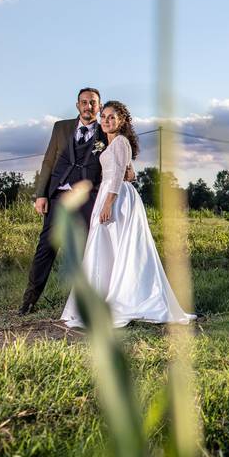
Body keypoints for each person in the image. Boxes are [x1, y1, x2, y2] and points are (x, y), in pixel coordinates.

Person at [60, 100, 195, 328]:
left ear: (122, 121)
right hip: (111, 192)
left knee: (117, 243)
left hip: (117, 198)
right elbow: (128, 173)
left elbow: (117, 176)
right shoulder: (111, 143)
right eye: (104, 117)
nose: (106, 120)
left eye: (112, 117)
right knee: (108, 245)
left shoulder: (121, 141)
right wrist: (126, 175)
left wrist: (108, 203)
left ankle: (123, 299)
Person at [20, 87, 134, 315]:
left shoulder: (107, 132)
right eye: (84, 102)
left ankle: (81, 303)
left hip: (89, 199)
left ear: (99, 107)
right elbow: (48, 162)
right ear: (77, 105)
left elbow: (121, 161)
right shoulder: (60, 128)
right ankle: (29, 301)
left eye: (93, 103)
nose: (88, 106)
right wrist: (41, 194)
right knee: (46, 248)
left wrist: (130, 171)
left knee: (87, 251)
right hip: (59, 196)